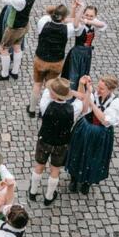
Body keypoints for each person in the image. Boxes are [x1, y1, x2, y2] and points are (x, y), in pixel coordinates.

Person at [66, 74, 119, 195]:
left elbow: (104, 120)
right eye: (98, 87)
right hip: (85, 128)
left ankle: (87, 181)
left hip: (101, 134)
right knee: (77, 152)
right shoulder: (94, 95)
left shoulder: (116, 104)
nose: (98, 90)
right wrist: (87, 91)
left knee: (94, 157)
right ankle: (74, 179)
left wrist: (92, 104)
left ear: (110, 90)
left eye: (102, 89)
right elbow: (84, 108)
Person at [28, 77, 83, 206]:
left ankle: (33, 192)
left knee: (39, 166)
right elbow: (81, 99)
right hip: (61, 143)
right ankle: (48, 197)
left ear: (53, 94)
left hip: (44, 140)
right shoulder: (73, 109)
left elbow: (48, 90)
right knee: (55, 170)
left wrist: (59, 89)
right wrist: (76, 89)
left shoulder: (45, 104)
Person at [27, 0, 82, 118]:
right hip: (56, 62)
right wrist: (76, 9)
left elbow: (53, 17)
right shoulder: (67, 29)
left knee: (37, 84)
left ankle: (31, 110)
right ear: (64, 18)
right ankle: (44, 111)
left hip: (40, 59)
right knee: (50, 87)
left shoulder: (43, 22)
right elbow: (75, 24)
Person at [61, 5, 107, 91]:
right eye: (87, 15)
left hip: (87, 54)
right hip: (77, 54)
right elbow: (72, 22)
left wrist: (88, 21)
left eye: (91, 16)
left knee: (83, 75)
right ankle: (70, 94)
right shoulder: (80, 25)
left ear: (95, 16)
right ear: (83, 14)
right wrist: (74, 10)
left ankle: (81, 92)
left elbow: (103, 25)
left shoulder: (93, 24)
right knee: (73, 75)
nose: (89, 17)